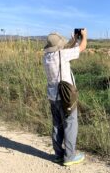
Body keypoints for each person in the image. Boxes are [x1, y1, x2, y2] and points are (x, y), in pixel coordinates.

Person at [43, 29, 87, 166]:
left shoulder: (46, 57)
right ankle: (70, 156)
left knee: (57, 125)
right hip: (66, 96)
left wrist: (73, 40)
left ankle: (58, 155)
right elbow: (82, 47)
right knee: (70, 124)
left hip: (53, 96)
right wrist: (83, 36)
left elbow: (63, 49)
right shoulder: (62, 55)